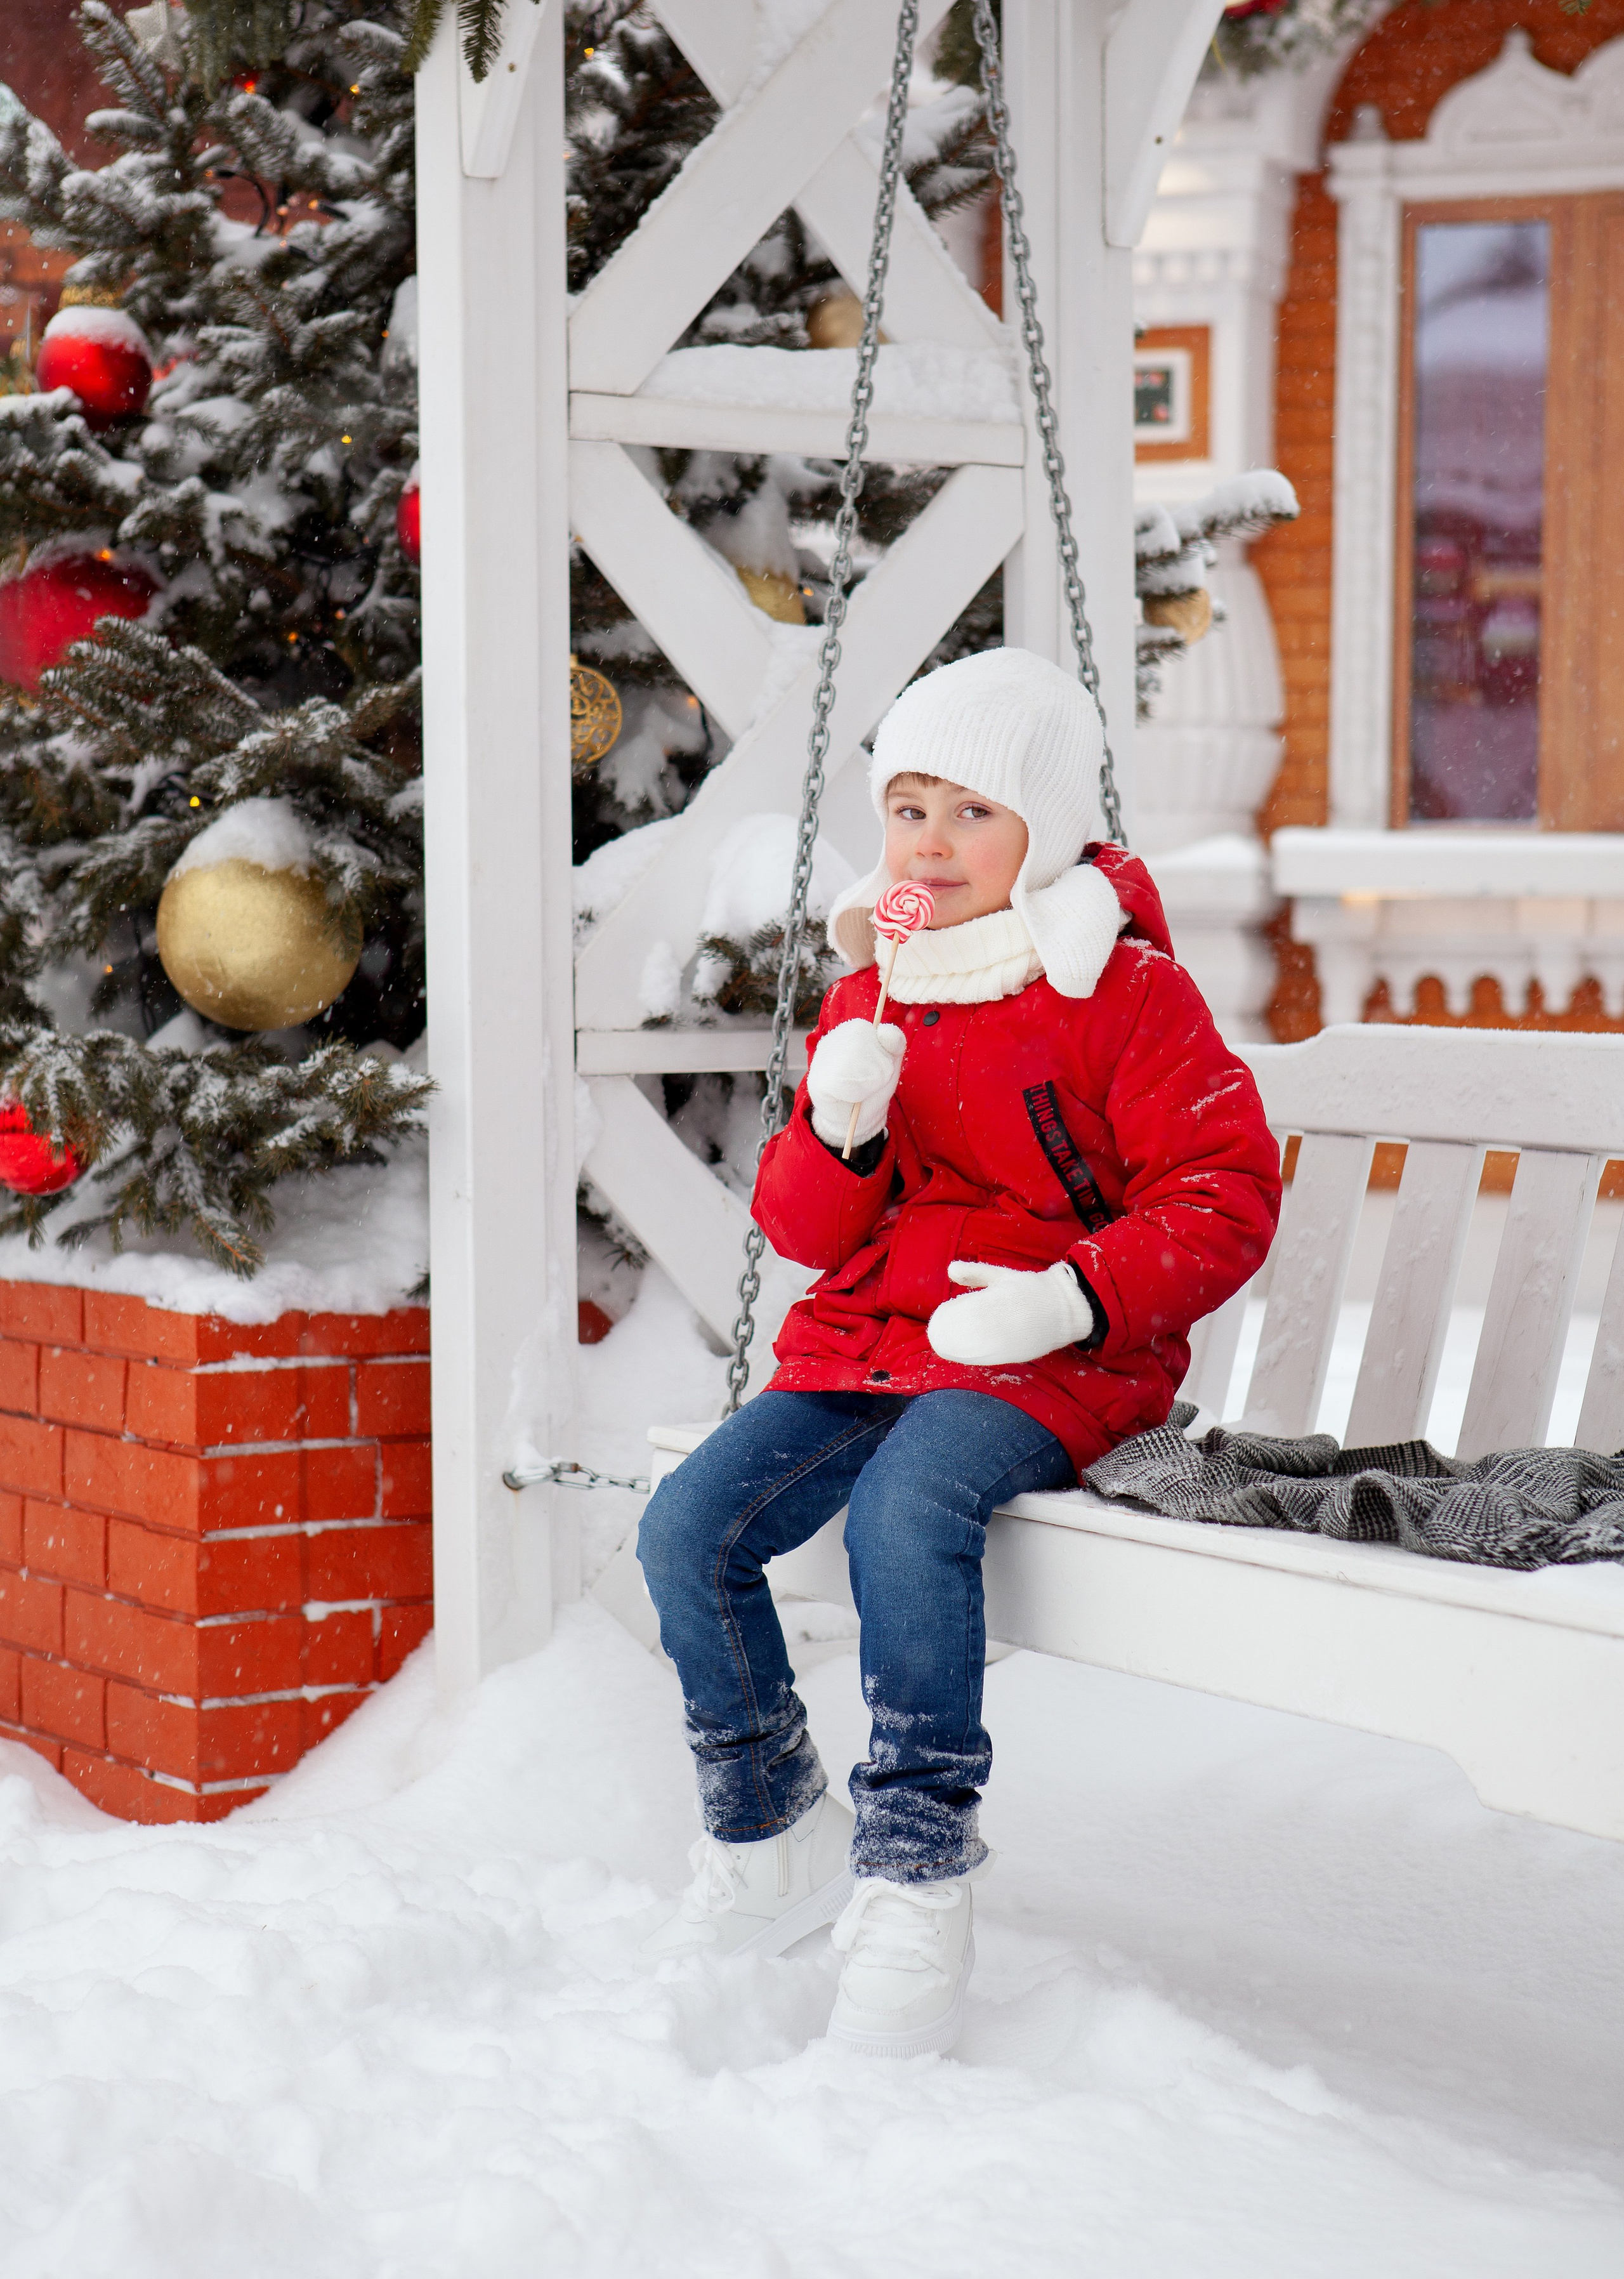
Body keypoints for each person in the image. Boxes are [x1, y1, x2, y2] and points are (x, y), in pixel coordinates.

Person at [636, 647, 1281, 2058]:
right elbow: (803, 1229)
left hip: (1050, 1355)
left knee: (907, 1509)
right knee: (688, 1524)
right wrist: (838, 1121)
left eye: (969, 812)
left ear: (1039, 829)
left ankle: (915, 1869)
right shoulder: (880, 985)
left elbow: (1223, 1192)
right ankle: (765, 1833)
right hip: (873, 1341)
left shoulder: (1123, 990)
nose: (929, 842)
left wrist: (1072, 1295)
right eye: (907, 808)